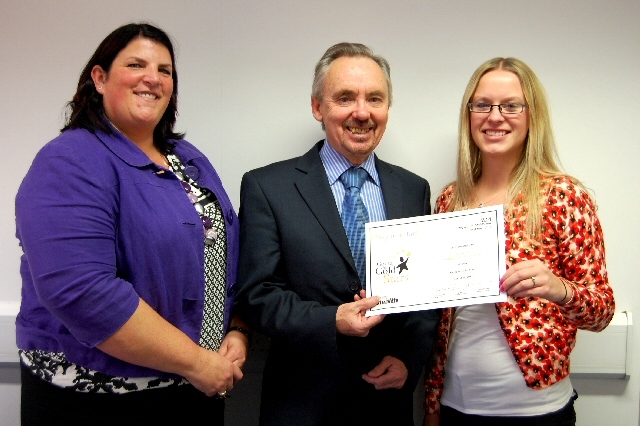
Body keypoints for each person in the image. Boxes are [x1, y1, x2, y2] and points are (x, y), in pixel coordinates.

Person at [15, 23, 250, 425]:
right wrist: (196, 362)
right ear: (100, 78)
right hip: (99, 399)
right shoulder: (68, 161)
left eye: (165, 70)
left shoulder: (188, 159)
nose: (152, 78)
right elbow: (83, 292)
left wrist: (238, 331)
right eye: (136, 64)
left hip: (197, 387)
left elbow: (226, 256)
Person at [234, 42, 439, 426]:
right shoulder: (268, 187)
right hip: (301, 404)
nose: (361, 112)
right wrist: (332, 320)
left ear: (387, 109)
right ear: (318, 107)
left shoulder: (413, 189)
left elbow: (425, 295)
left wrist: (409, 359)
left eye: (374, 99)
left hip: (386, 405)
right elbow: (257, 294)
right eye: (345, 97)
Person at [423, 57, 615, 426]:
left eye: (511, 105)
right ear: (469, 115)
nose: (495, 117)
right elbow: (442, 318)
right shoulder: (449, 200)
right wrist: (432, 403)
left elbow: (602, 311)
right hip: (456, 407)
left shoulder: (563, 196)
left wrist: (559, 289)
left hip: (536, 412)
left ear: (532, 116)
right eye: (482, 105)